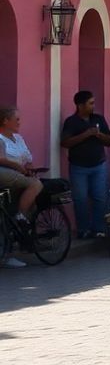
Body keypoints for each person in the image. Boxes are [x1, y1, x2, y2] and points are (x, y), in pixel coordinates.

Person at [60, 90, 110, 239]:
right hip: (78, 166)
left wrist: (99, 135)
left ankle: (99, 228)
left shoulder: (99, 119)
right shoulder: (71, 121)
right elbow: (65, 142)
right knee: (80, 199)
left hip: (98, 165)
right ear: (80, 105)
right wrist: (86, 134)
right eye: (90, 103)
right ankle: (83, 229)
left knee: (99, 197)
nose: (93, 106)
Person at [0, 105, 43, 264]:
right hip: (5, 174)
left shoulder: (18, 138)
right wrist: (18, 167)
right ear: (5, 121)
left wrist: (29, 169)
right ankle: (20, 216)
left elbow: (28, 159)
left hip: (16, 177)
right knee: (36, 185)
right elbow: (1, 159)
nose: (19, 122)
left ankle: (15, 246)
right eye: (16, 119)